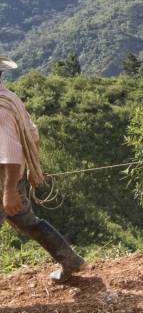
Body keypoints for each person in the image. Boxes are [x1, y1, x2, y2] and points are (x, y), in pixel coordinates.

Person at [0, 56, 85, 282]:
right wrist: (32, 168)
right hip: (12, 180)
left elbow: (10, 153)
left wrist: (9, 191)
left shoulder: (1, 109)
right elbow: (33, 135)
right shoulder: (10, 99)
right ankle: (70, 261)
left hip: (3, 183)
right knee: (28, 222)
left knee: (27, 222)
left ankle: (71, 261)